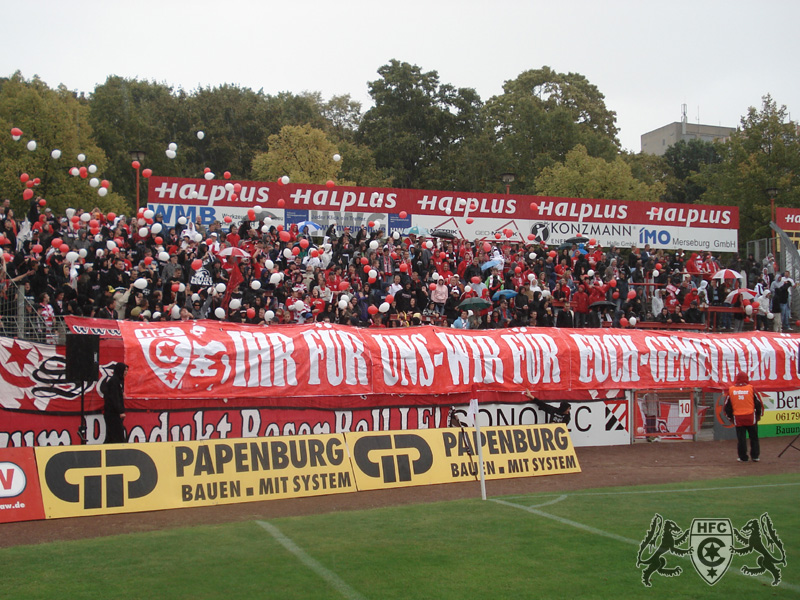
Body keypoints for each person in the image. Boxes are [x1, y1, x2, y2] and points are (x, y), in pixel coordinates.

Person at [724, 372, 763, 462]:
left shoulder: (731, 390)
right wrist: (758, 416)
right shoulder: (751, 388)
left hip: (738, 418)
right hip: (750, 417)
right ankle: (755, 456)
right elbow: (758, 403)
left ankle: (743, 457)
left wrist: (731, 418)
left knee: (741, 439)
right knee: (754, 437)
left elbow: (727, 407)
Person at [101, 362, 128, 444]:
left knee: (112, 436)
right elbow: (114, 398)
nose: (126, 372)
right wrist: (120, 411)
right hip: (112, 414)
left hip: (113, 413)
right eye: (125, 370)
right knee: (116, 435)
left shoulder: (118, 381)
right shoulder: (114, 381)